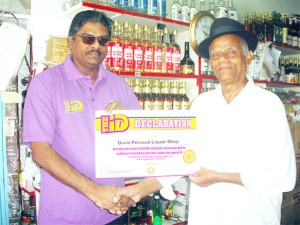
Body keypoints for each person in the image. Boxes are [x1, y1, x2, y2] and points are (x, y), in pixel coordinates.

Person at [115, 17, 297, 225]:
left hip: (252, 216)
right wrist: (139, 190)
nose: (222, 60)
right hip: (207, 216)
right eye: (215, 55)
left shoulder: (268, 105)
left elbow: (283, 176)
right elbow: (180, 157)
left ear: (248, 57)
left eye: (231, 52)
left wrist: (218, 176)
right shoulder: (201, 104)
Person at [23, 10, 140, 225]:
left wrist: (130, 120)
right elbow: (40, 152)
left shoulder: (120, 86)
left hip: (113, 213)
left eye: (103, 40)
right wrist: (95, 192)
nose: (96, 45)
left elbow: (140, 142)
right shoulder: (45, 84)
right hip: (66, 217)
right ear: (71, 40)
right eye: (88, 38)